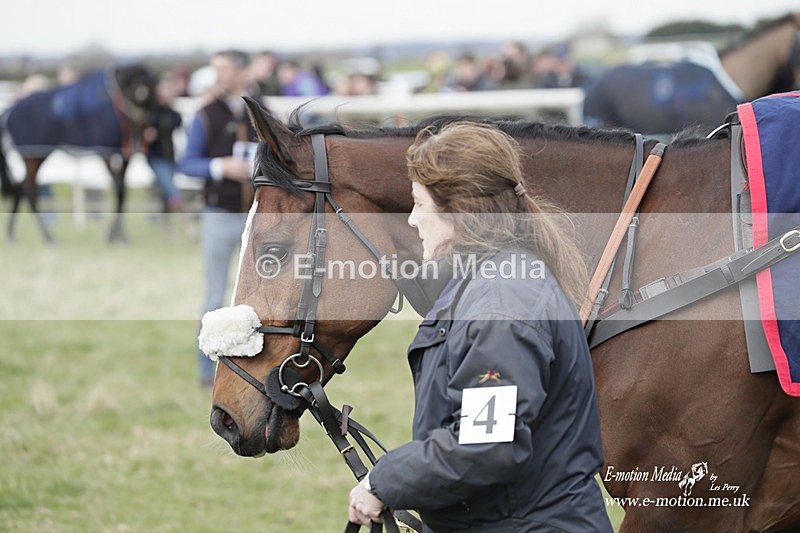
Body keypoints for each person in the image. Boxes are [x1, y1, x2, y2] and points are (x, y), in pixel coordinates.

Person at [348, 122, 612, 531]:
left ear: (458, 209)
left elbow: (486, 445)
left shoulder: (500, 301)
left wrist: (384, 481)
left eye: (420, 204)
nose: (413, 220)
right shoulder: (490, 277)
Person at [177, 50, 257, 388]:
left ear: (241, 72)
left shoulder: (261, 111)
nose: (218, 76)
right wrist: (220, 167)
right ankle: (206, 368)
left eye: (223, 69)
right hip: (219, 216)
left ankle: (252, 365)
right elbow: (187, 163)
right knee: (214, 295)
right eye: (216, 69)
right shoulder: (206, 115)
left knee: (256, 297)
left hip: (257, 219)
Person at [144, 72, 183, 219]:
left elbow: (177, 125)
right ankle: (187, 226)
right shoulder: (152, 112)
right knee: (173, 192)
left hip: (170, 156)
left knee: (163, 191)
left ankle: (160, 222)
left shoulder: (173, 114)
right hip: (156, 156)